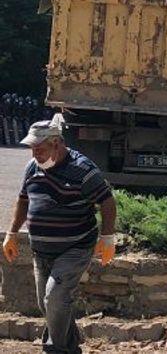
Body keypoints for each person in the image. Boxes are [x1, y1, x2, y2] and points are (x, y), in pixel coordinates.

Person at [3, 117, 117, 353]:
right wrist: (12, 233)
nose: (35, 154)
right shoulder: (32, 167)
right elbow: (23, 200)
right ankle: (71, 347)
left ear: (56, 143)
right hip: (40, 251)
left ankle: (54, 349)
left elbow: (107, 202)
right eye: (32, 149)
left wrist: (107, 238)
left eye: (40, 149)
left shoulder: (82, 169)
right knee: (48, 305)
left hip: (74, 248)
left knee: (54, 297)